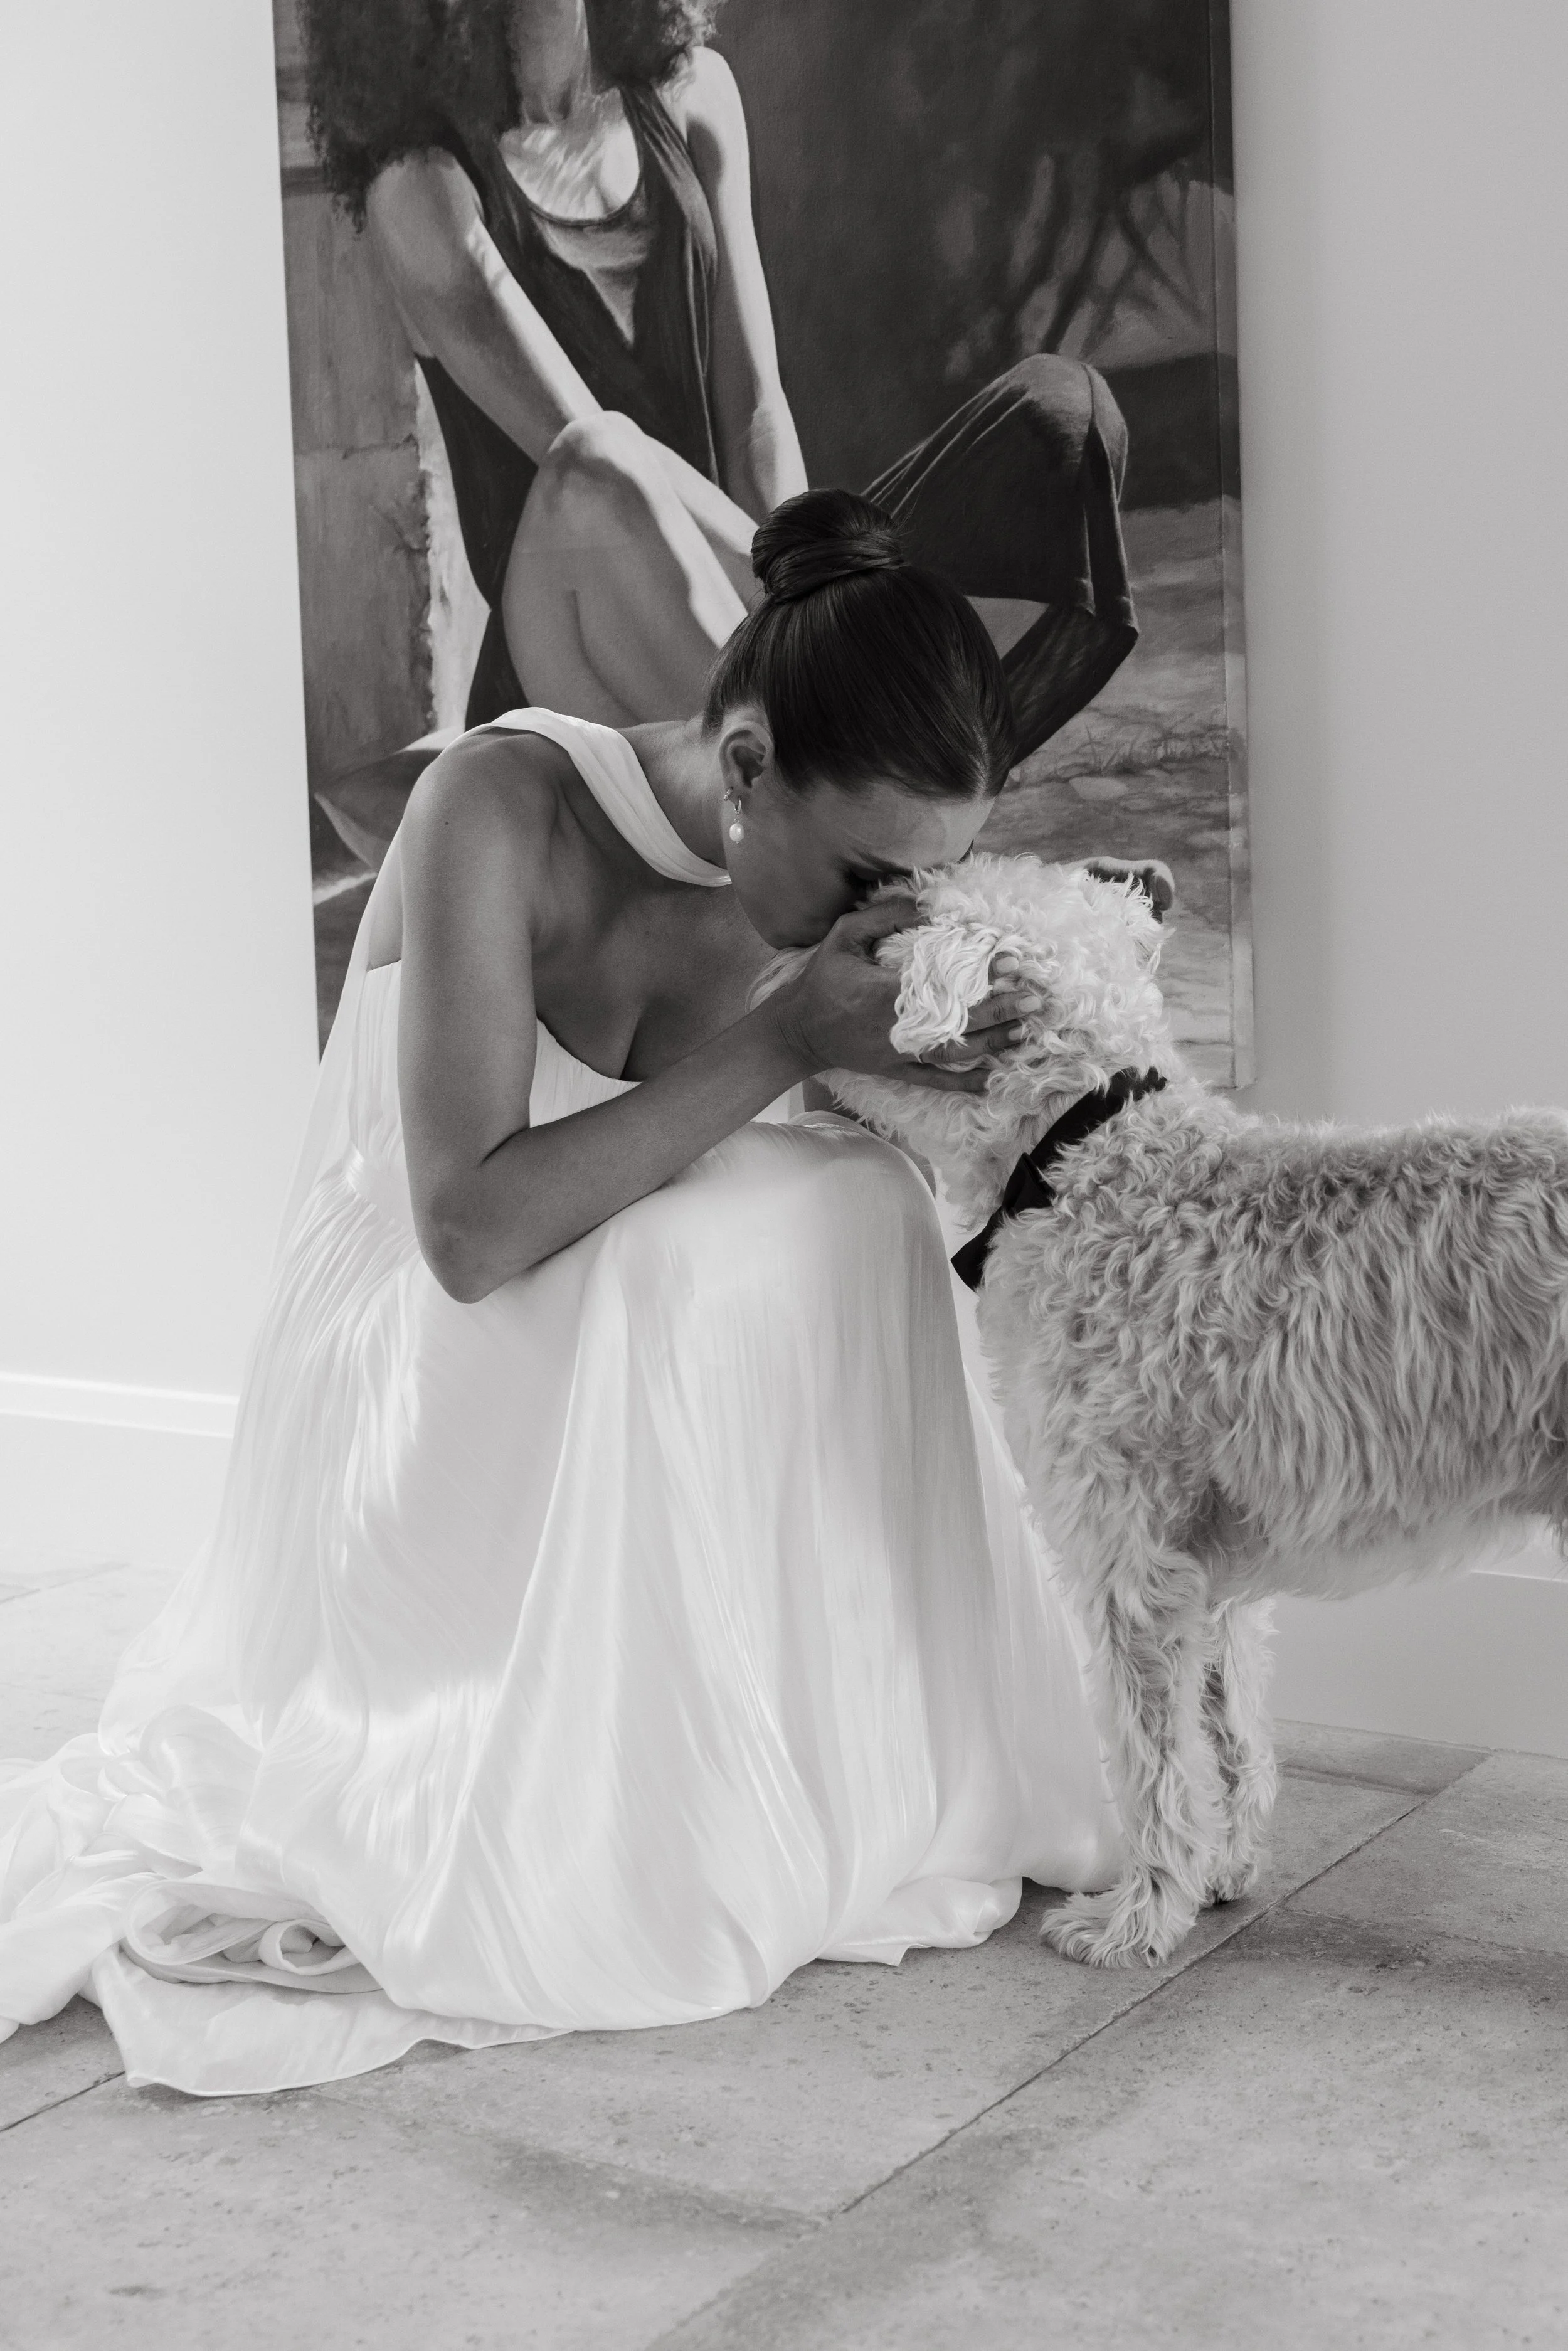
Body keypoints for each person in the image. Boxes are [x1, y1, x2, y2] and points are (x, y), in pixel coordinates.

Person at [0, 494, 1120, 2094]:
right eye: (875, 869)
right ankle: (583, 1801)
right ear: (744, 766)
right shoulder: (500, 806)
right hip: (406, 1327)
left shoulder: (819, 910)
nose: (896, 913)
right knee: (677, 1256)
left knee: (858, 1212)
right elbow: (463, 1229)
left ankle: (840, 1772)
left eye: (927, 881)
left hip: (581, 1323)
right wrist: (792, 1037)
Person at [305, 0, 1137, 753]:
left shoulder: (694, 95)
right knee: (602, 458)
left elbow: (755, 420)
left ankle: (877, 784)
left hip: (755, 604)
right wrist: (836, 608)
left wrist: (823, 593)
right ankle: (887, 816)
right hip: (585, 640)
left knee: (1060, 413)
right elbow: (607, 466)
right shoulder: (421, 192)